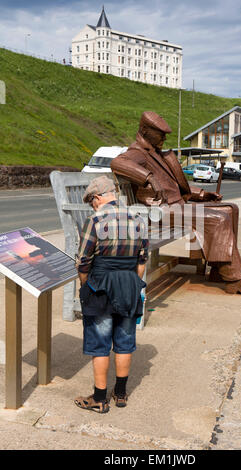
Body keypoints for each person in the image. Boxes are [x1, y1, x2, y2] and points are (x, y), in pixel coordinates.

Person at [111, 111, 241, 298]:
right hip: (158, 212)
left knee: (230, 209)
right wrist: (148, 178)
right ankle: (236, 280)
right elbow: (118, 162)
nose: (164, 137)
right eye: (160, 133)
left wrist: (202, 194)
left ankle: (219, 269)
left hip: (176, 207)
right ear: (145, 130)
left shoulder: (155, 153)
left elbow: (173, 187)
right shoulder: (138, 153)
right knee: (218, 219)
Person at [74, 175, 149, 413]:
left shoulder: (94, 220)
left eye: (91, 201)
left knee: (100, 343)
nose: (92, 206)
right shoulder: (139, 220)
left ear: (98, 197)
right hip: (129, 284)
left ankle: (99, 398)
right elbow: (142, 261)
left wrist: (85, 285)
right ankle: (121, 394)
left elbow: (83, 261)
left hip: (101, 286)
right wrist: (134, 283)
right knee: (125, 342)